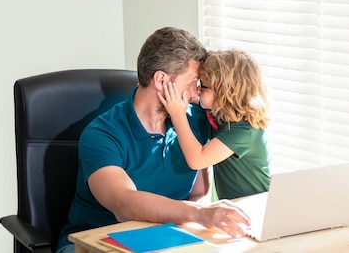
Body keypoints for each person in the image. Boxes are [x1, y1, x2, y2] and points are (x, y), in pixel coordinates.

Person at [56, 27, 250, 253]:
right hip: (93, 243)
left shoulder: (195, 122)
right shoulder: (101, 134)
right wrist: (199, 214)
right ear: (161, 80)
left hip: (167, 240)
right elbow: (124, 204)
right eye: (191, 83)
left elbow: (198, 193)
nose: (195, 94)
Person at [158, 49, 271, 200]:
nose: (197, 90)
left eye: (202, 85)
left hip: (256, 206)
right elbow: (197, 100)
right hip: (236, 206)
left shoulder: (245, 130)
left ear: (224, 92)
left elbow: (197, 160)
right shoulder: (221, 113)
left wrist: (177, 115)